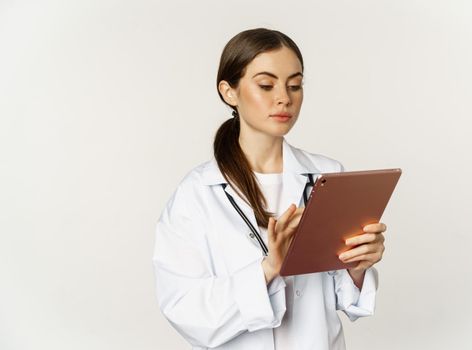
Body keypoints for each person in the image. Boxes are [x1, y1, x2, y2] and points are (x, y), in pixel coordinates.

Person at [153, 28, 387, 350]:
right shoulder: (196, 194)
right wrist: (268, 270)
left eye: (295, 85)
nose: (284, 98)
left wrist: (357, 267)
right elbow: (185, 310)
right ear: (229, 91)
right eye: (266, 85)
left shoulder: (328, 176)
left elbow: (346, 300)